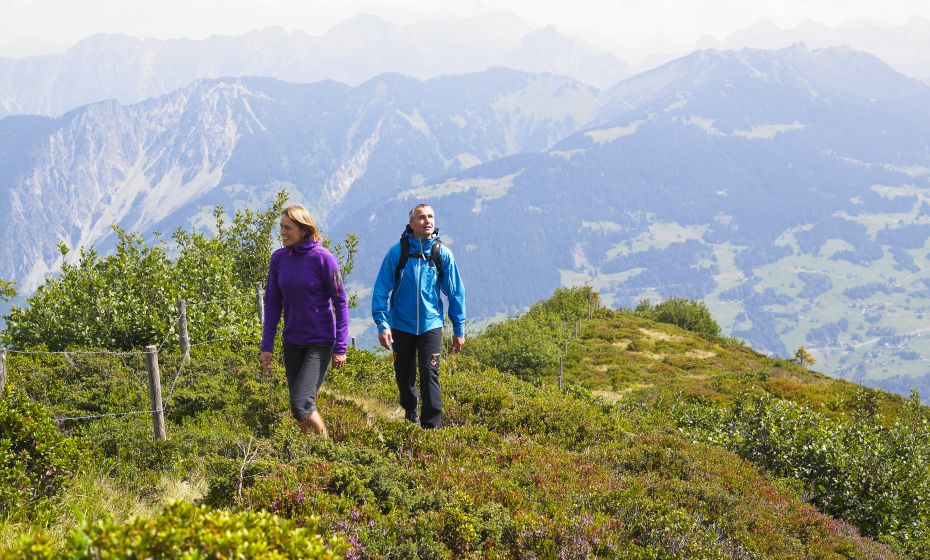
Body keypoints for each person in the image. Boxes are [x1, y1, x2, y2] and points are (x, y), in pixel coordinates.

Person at [371, 203, 466, 428]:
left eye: (430, 216)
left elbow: (456, 293)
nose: (427, 221)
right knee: (404, 375)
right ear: (412, 223)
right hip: (401, 324)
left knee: (429, 372)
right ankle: (410, 409)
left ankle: (431, 428)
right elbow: (381, 290)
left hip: (431, 324)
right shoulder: (398, 252)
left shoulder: (441, 253)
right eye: (422, 217)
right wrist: (382, 324)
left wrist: (459, 329)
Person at [259, 205, 348, 438]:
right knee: (300, 407)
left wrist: (340, 347)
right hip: (292, 342)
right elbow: (272, 305)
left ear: (304, 229)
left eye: (288, 228)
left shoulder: (324, 258)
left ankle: (327, 451)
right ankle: (310, 451)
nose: (282, 232)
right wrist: (267, 346)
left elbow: (341, 302)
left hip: (319, 342)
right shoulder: (278, 259)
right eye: (281, 227)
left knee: (301, 403)